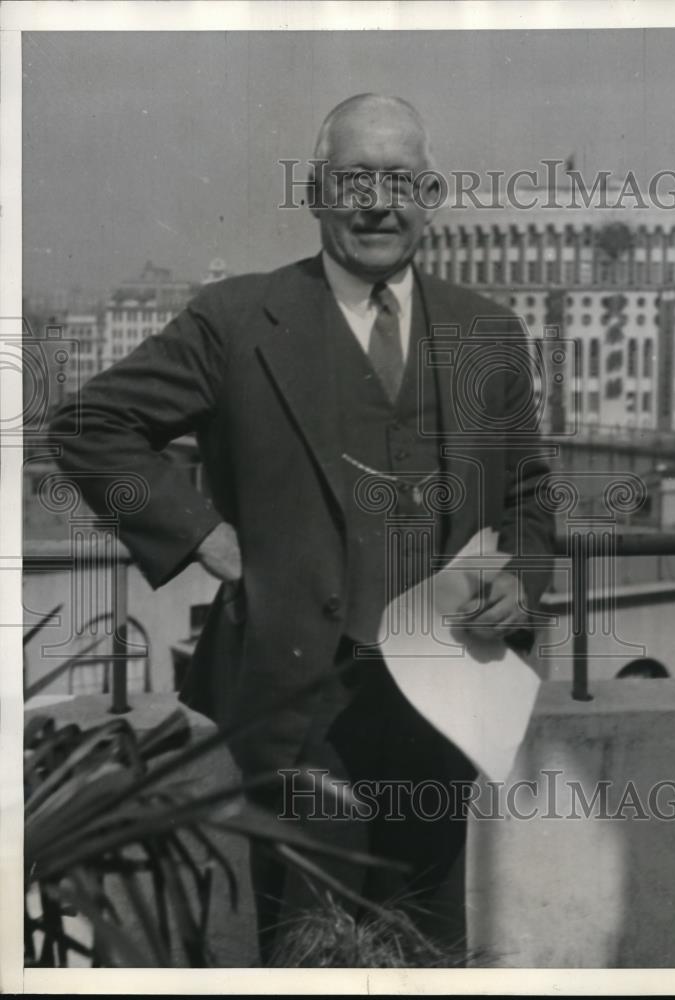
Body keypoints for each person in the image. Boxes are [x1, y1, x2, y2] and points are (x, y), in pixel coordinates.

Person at [49, 93, 555, 964]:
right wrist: (200, 531)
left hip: (444, 705)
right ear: (318, 193)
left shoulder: (489, 334)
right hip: (296, 706)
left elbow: (530, 496)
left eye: (400, 180)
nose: (377, 202)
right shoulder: (238, 320)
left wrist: (520, 579)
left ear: (431, 195)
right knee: (306, 953)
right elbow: (88, 428)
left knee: (433, 951)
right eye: (354, 179)